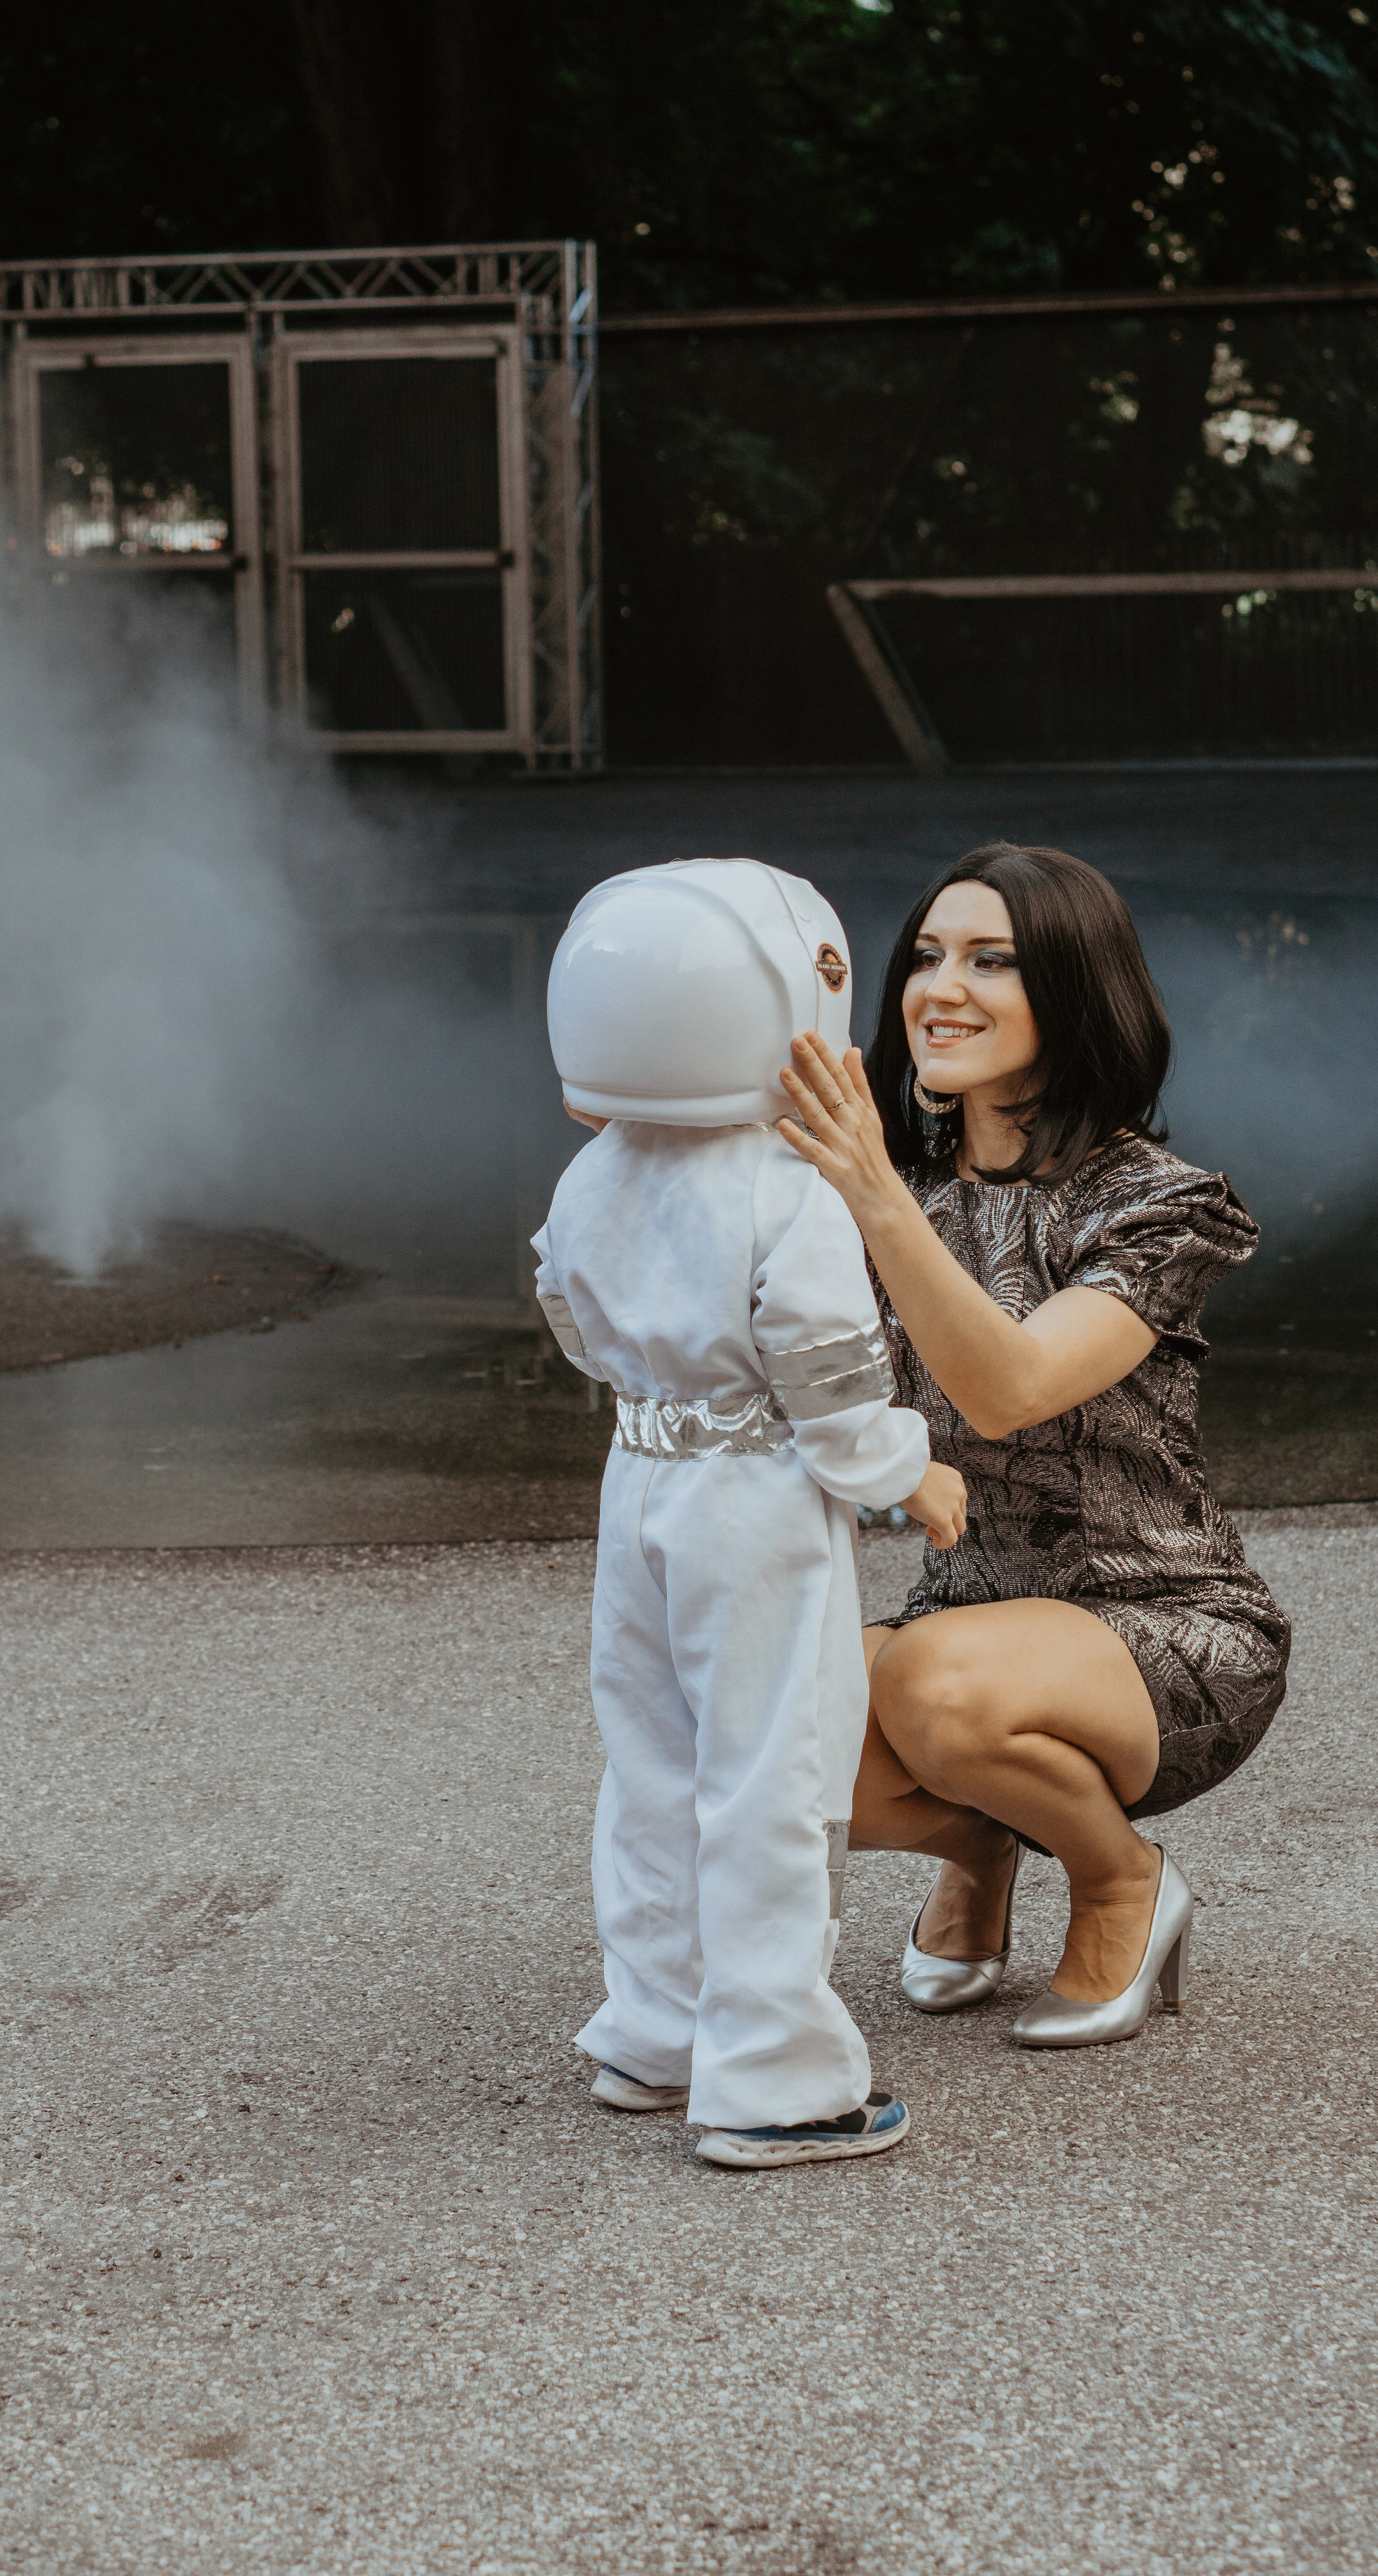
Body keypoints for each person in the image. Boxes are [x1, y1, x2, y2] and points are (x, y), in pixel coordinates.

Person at [775, 841, 1289, 2049]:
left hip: (1165, 1631)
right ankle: (986, 1842)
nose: (941, 987)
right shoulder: (889, 1190)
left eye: (992, 960)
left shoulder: (1161, 1207)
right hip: (969, 1619)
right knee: (772, 1710)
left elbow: (1008, 1389)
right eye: (929, 956)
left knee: (926, 1681)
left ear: (1074, 993)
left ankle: (1121, 1881)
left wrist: (875, 1202)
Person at [534, 857, 968, 2167]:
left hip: (641, 1480)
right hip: (756, 1499)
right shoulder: (788, 1192)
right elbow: (834, 1386)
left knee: (654, 1763)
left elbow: (568, 1313)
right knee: (772, 1772)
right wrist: (906, 1468)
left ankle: (653, 2032)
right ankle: (774, 2078)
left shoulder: (596, 1176)